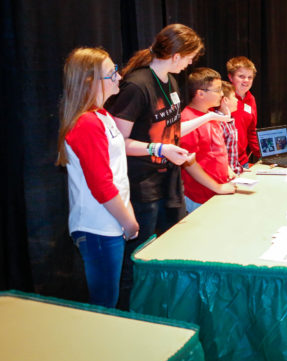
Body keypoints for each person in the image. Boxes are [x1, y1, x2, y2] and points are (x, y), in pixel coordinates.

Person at [105, 24, 229, 310]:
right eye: (189, 57)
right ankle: (129, 313)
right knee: (138, 259)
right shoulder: (137, 85)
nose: (190, 63)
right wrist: (158, 149)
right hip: (143, 188)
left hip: (169, 185)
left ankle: (163, 308)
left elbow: (171, 130)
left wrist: (208, 119)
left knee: (171, 252)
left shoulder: (170, 82)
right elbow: (118, 141)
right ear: (176, 55)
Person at [56, 47, 139, 308]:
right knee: (103, 304)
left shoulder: (103, 116)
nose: (119, 75)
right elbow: (101, 185)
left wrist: (128, 215)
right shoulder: (87, 124)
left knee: (108, 299)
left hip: (110, 223)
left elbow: (116, 175)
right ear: (90, 81)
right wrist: (129, 222)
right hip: (98, 228)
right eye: (111, 72)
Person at [179, 68, 236, 212]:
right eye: (217, 90)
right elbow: (188, 162)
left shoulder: (210, 114)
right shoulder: (188, 119)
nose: (222, 94)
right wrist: (217, 187)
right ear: (200, 93)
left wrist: (228, 169)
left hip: (216, 191)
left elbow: (217, 149)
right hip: (200, 196)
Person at [226, 56, 261, 168]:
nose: (246, 80)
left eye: (249, 77)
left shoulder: (251, 99)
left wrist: (263, 155)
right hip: (225, 161)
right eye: (241, 76)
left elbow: (251, 131)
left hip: (242, 161)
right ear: (230, 77)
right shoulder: (222, 98)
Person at [218, 81, 245, 175]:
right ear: (225, 100)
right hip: (226, 175)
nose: (237, 100)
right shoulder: (219, 123)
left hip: (235, 172)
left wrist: (239, 168)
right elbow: (218, 156)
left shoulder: (229, 120)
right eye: (234, 97)